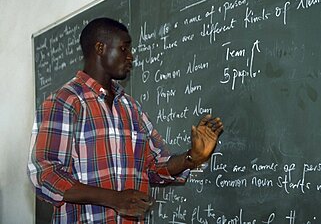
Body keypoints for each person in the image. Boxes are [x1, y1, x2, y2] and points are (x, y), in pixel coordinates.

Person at [27, 17, 223, 223]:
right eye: (124, 49)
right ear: (100, 48)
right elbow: (45, 174)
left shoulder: (130, 107)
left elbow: (156, 166)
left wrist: (193, 157)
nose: (131, 57)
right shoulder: (65, 102)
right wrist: (113, 198)